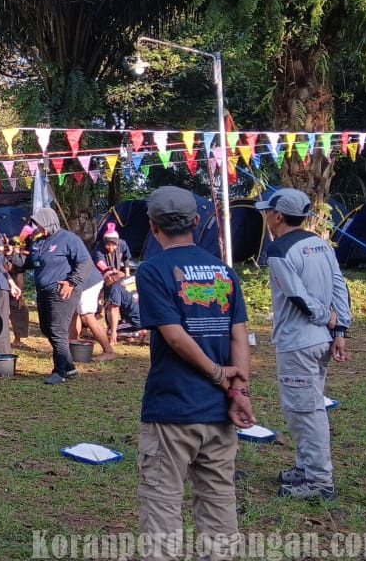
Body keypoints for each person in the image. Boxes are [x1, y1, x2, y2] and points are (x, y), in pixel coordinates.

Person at [136, 186, 253, 560]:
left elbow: (174, 336)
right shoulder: (224, 271)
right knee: (219, 501)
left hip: (173, 408)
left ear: (153, 227)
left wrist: (220, 376)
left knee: (161, 504)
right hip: (219, 410)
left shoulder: (153, 270)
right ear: (197, 222)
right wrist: (239, 392)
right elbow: (239, 334)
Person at [256, 188, 352, 500]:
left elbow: (295, 294)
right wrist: (340, 331)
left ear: (279, 215)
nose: (266, 217)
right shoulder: (320, 244)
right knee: (305, 406)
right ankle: (306, 467)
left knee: (305, 410)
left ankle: (320, 480)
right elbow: (340, 285)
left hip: (298, 341)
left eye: (268, 211)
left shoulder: (280, 250)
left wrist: (328, 318)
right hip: (321, 341)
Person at [9, 208, 92, 385]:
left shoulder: (69, 239)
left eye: (38, 223)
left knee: (57, 330)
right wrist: (11, 254)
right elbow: (27, 263)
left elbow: (85, 262)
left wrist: (72, 282)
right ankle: (69, 366)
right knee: (47, 329)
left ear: (48, 221)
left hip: (62, 290)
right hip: (43, 292)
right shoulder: (39, 242)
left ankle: (59, 371)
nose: (35, 227)